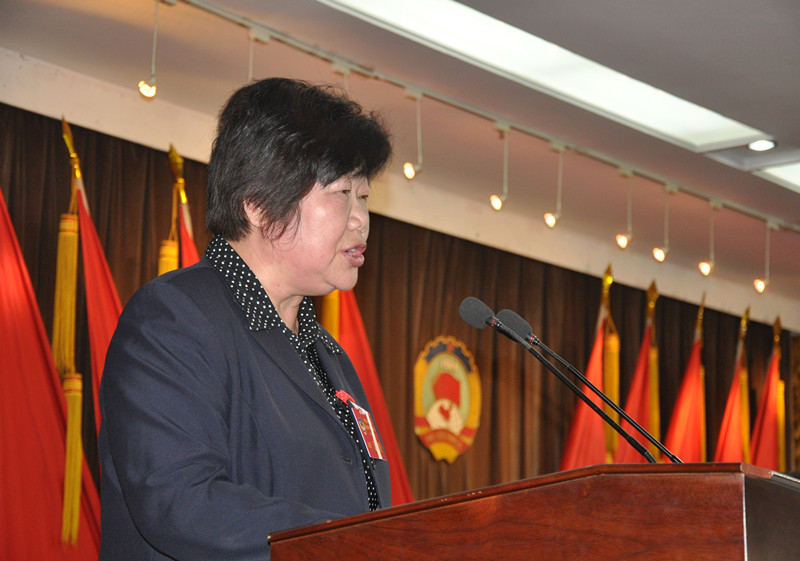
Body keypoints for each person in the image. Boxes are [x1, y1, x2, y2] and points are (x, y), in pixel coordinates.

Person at [97, 77, 393, 560]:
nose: (361, 219)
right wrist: (352, 543)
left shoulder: (329, 356)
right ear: (257, 203)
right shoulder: (174, 319)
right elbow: (181, 501)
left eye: (365, 197)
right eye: (342, 192)